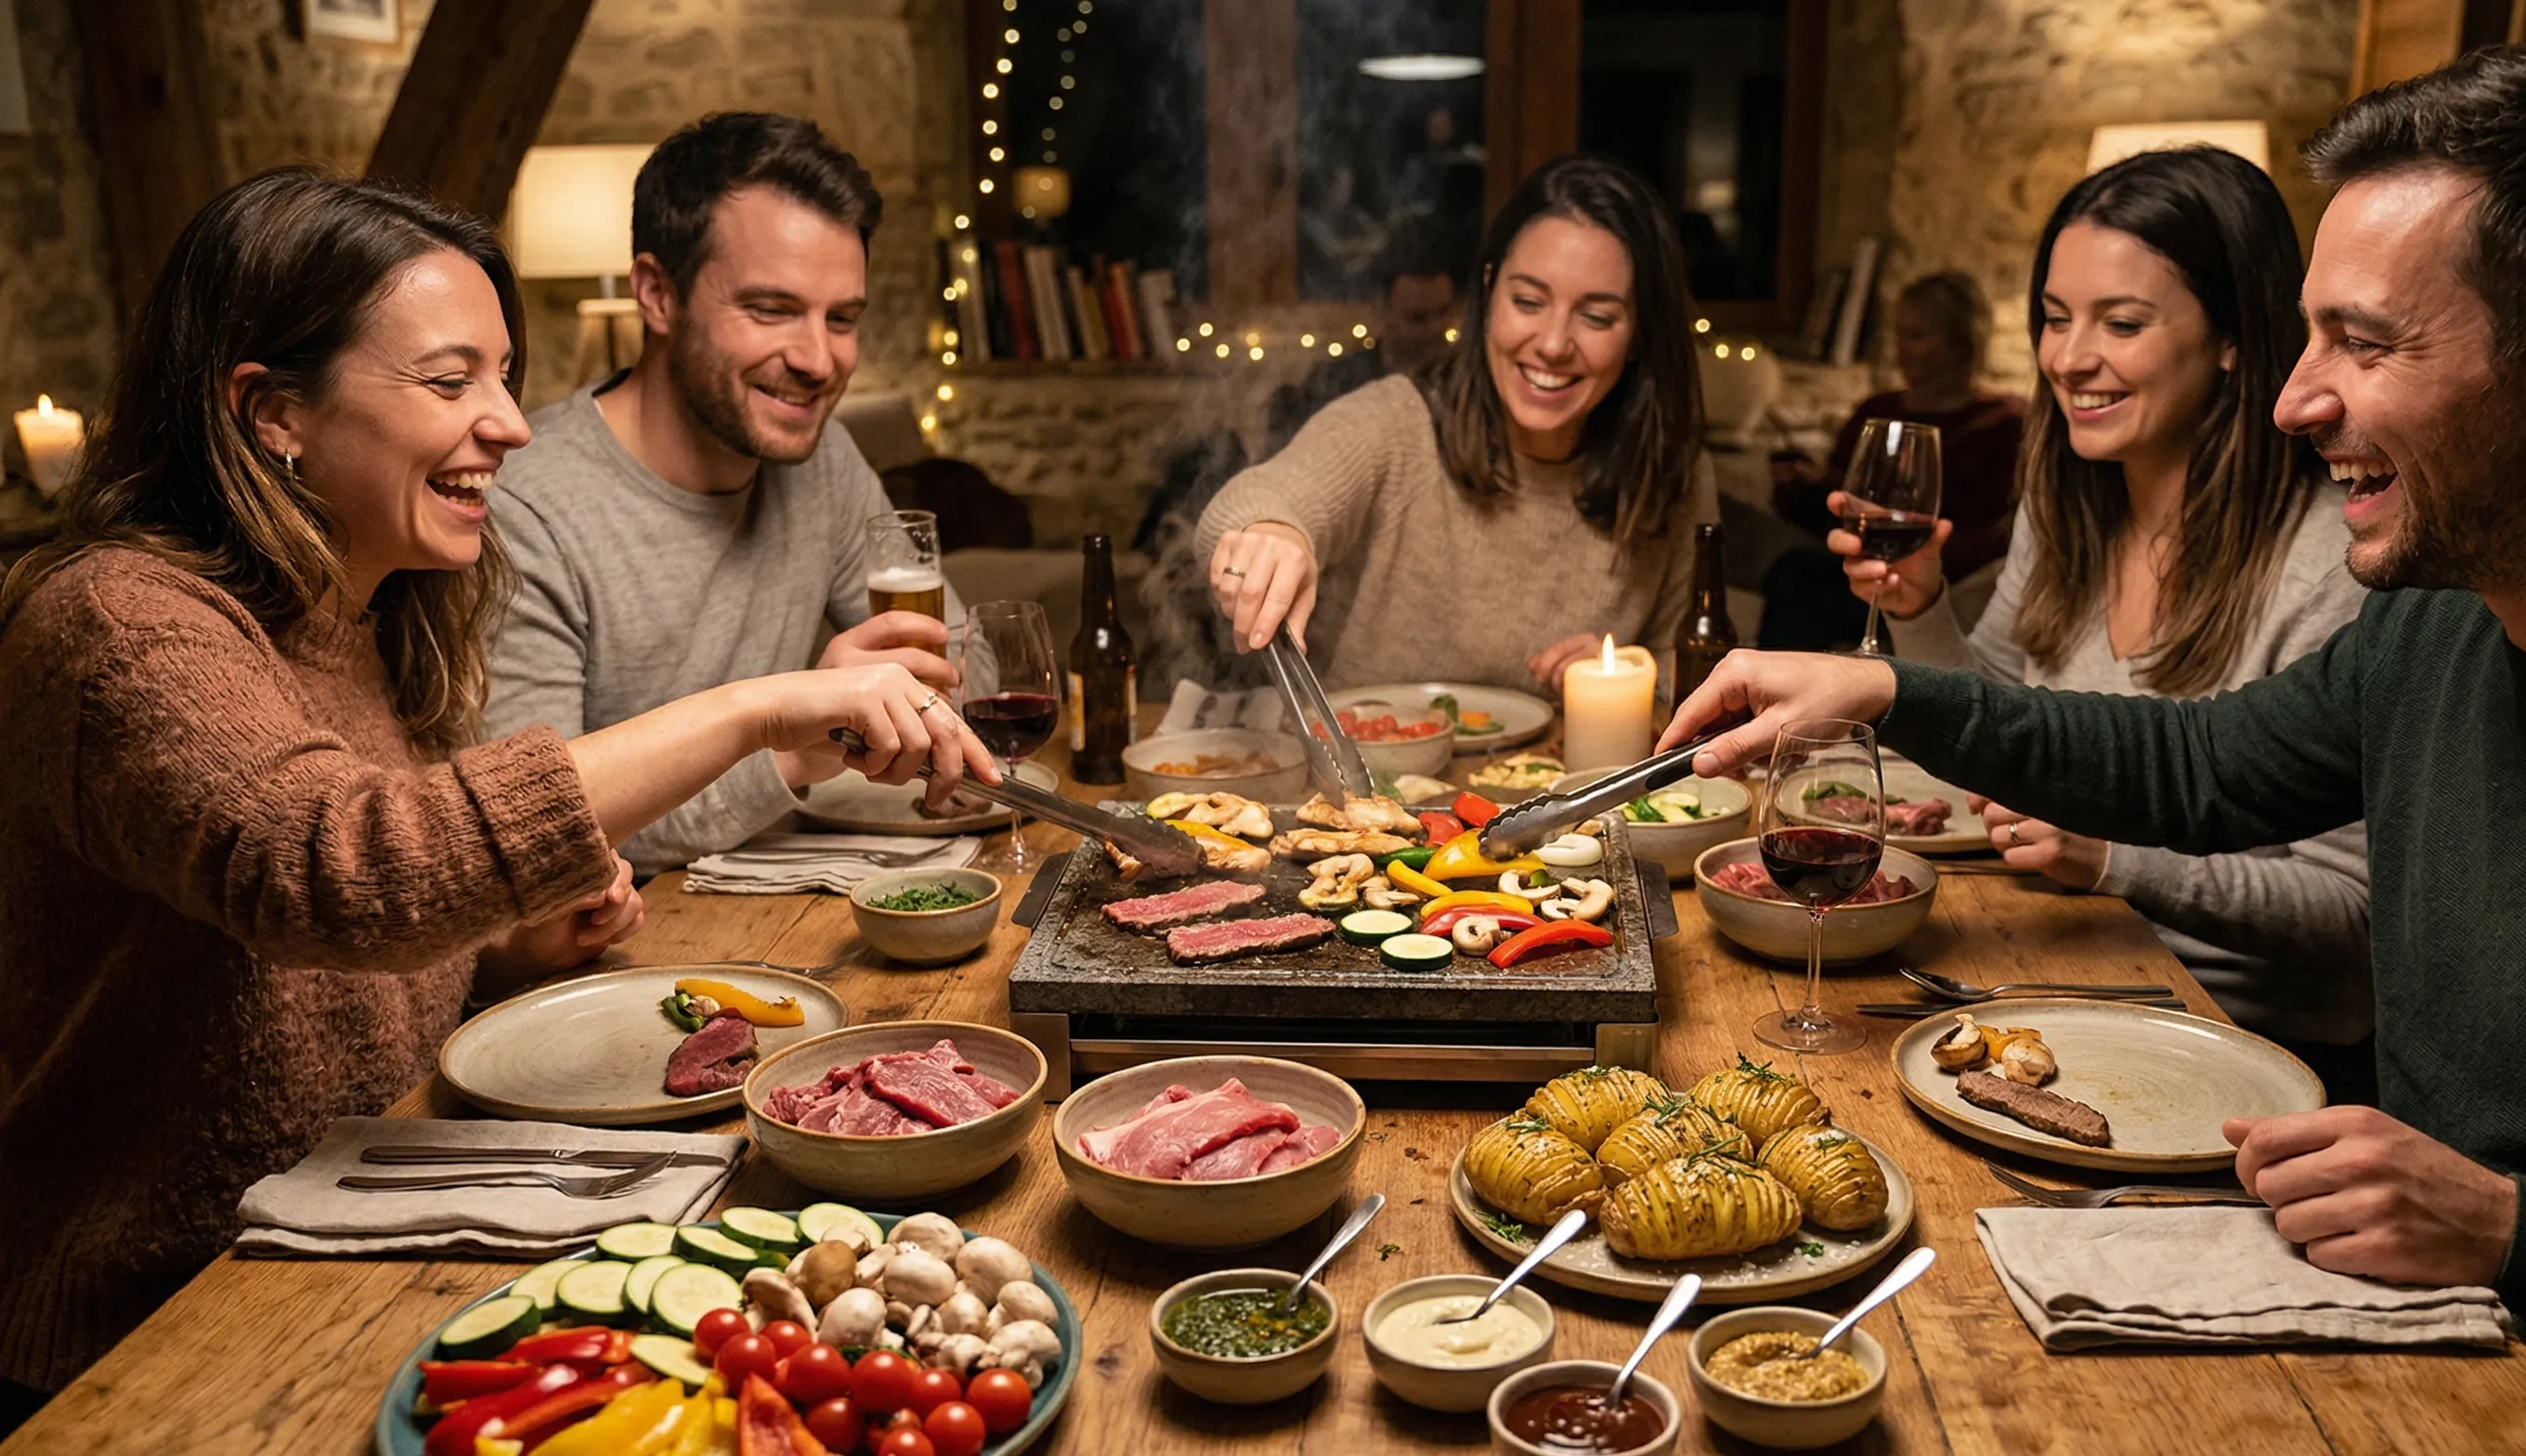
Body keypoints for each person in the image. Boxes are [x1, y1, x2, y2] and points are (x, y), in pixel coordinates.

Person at [0, 169, 992, 1418]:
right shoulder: (115, 626)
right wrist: (757, 707)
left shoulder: (379, 615)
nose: (514, 425)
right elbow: (336, 871)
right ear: (272, 413)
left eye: (506, 377)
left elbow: (361, 963)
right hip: (151, 1329)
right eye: (450, 379)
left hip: (367, 1241)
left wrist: (510, 948)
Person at [1657, 47, 2526, 1308]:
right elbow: (2195, 765)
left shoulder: (2371, 582)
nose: (2295, 404)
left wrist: (2508, 1227)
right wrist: (1893, 687)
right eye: (2308, 338)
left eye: (2368, 343)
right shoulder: (2434, 629)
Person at [1838, 151, 2376, 1089]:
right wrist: (1920, 609)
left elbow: (2350, 912)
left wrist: (2118, 857)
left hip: (2241, 1046)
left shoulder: (2329, 563)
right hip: (2055, 979)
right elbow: (1996, 734)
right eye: (2053, 318)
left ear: (2231, 338)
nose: (2067, 357)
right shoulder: (2069, 508)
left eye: (2119, 323)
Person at [484, 113, 967, 876]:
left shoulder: (821, 457)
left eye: (842, 318)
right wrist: (795, 752)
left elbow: (972, 675)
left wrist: (925, 692)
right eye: (771, 309)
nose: (818, 359)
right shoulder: (526, 509)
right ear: (657, 295)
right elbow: (529, 840)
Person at [1199, 152, 1720, 693]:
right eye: (1528, 301)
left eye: (1596, 317)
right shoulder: (1396, 424)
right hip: (1375, 768)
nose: (1553, 344)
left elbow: (1696, 675)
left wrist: (1630, 670)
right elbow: (1248, 506)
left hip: (1567, 778)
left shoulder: (1673, 468)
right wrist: (1273, 534)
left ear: (1639, 333)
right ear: (1489, 291)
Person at [1758, 271, 2025, 648]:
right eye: (1898, 333)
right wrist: (1800, 487)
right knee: (1795, 569)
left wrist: (1927, 556)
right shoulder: (1877, 411)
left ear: (1962, 341)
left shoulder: (2006, 422)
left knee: (1802, 579)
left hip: (1949, 579)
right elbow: (1836, 510)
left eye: (1916, 335)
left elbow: (2007, 531)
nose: (1901, 347)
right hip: (1861, 566)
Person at [1266, 226, 1465, 455]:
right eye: (1417, 318)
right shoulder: (1338, 382)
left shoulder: (1464, 384)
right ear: (1382, 310)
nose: (1434, 329)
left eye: (1442, 313)